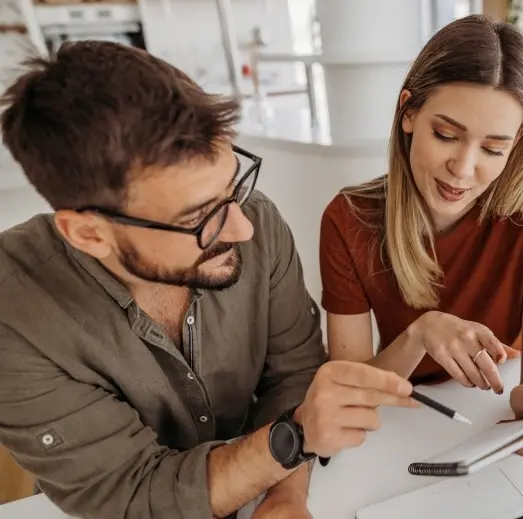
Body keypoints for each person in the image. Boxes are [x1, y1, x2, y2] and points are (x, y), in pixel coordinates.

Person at [0, 41, 417, 519]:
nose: (242, 229)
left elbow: (296, 373)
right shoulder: (14, 317)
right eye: (200, 217)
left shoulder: (251, 222)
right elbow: (132, 494)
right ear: (90, 234)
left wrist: (284, 497)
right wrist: (292, 439)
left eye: (233, 184)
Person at [319, 14, 523, 461]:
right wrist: (419, 334)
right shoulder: (349, 220)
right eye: (445, 135)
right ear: (409, 113)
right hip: (399, 418)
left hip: (491, 412)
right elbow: (350, 391)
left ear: (518, 142)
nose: (462, 169)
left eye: (493, 149)